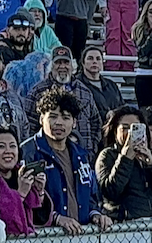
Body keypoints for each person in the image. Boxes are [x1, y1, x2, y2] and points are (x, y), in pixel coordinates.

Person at [18, 89, 106, 235]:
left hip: (82, 238)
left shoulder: (81, 154)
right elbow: (22, 199)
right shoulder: (28, 151)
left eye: (66, 118)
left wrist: (95, 214)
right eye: (52, 116)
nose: (59, 122)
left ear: (74, 123)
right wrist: (56, 218)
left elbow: (91, 195)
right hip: (42, 238)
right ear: (41, 119)